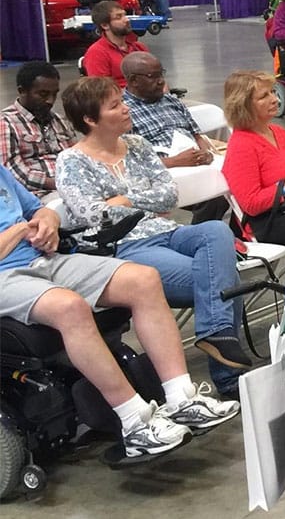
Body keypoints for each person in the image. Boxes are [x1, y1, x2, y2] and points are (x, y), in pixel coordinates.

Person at [1, 167, 240, 457]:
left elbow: (40, 211)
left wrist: (45, 223)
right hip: (5, 276)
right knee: (70, 307)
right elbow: (18, 229)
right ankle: (134, 423)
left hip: (43, 260)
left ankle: (182, 399)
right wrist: (19, 230)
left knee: (144, 280)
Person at [55, 77, 252, 398]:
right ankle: (229, 378)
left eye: (122, 100)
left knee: (216, 230)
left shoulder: (138, 145)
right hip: (124, 246)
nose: (125, 108)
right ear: (90, 120)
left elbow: (168, 195)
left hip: (168, 231)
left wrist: (126, 200)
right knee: (225, 282)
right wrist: (140, 198)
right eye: (115, 105)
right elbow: (93, 214)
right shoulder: (71, 161)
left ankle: (216, 336)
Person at [222, 70, 285, 245]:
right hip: (271, 220)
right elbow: (251, 204)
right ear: (243, 105)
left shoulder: (278, 132)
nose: (275, 99)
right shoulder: (241, 146)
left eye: (273, 92)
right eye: (263, 96)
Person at [120, 53, 218, 169]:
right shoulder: (123, 112)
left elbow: (197, 136)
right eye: (153, 76)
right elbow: (127, 164)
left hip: (200, 164)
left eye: (161, 74)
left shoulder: (173, 102)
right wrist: (174, 162)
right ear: (134, 80)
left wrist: (206, 152)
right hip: (162, 176)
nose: (161, 81)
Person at [1, 62, 77, 199]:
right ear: (22, 91)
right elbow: (13, 172)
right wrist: (60, 184)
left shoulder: (59, 120)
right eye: (43, 94)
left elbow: (78, 154)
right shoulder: (6, 123)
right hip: (40, 195)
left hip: (73, 185)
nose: (50, 101)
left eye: (54, 94)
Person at [82, 1, 149, 88]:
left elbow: (157, 77)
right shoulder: (97, 53)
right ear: (105, 25)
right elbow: (101, 90)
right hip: (120, 98)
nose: (126, 20)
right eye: (118, 17)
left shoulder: (139, 47)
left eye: (124, 15)